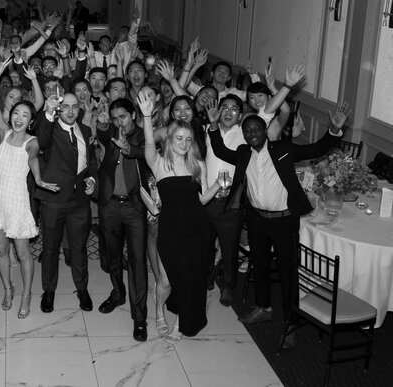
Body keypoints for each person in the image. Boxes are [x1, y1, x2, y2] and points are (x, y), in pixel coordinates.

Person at [208, 103, 349, 348]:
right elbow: (219, 150)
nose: (252, 133)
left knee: (287, 273)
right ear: (244, 134)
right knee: (260, 265)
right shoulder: (242, 153)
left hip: (284, 220)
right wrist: (212, 125)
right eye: (248, 130)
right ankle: (264, 307)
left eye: (256, 129)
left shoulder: (283, 148)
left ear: (265, 131)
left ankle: (290, 322)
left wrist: (334, 130)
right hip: (257, 219)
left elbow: (316, 148)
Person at [136, 90, 221, 342]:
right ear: (170, 138)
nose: (183, 143)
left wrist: (218, 186)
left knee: (190, 280)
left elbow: (203, 199)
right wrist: (147, 116)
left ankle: (181, 324)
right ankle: (158, 310)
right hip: (171, 229)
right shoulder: (159, 163)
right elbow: (149, 143)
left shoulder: (198, 164)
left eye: (187, 139)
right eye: (178, 138)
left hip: (197, 229)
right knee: (166, 280)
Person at [0, 53, 59, 319]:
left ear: (31, 120)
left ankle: (27, 292)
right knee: (1, 251)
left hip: (17, 202)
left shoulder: (32, 141)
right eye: (16, 113)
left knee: (23, 252)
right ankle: (8, 288)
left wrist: (38, 180)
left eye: (24, 115)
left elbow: (32, 160)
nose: (18, 117)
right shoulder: (4, 133)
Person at [34, 91, 98, 314]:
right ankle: (49, 291)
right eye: (66, 106)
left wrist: (91, 178)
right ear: (60, 109)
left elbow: (90, 162)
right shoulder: (50, 129)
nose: (71, 111)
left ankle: (82, 289)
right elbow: (41, 140)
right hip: (53, 199)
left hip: (79, 200)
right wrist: (49, 113)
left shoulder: (86, 130)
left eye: (75, 106)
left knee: (79, 248)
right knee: (50, 248)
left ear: (79, 109)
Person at [95, 98, 149, 341]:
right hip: (109, 205)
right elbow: (104, 136)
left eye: (123, 117)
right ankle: (118, 294)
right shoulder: (112, 131)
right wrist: (105, 126)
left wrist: (130, 150)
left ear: (133, 115)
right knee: (112, 257)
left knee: (137, 262)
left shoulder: (141, 134)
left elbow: (146, 152)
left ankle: (139, 317)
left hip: (135, 208)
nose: (120, 122)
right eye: (115, 118)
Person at [203, 94, 246, 307]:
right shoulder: (205, 131)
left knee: (229, 247)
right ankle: (208, 276)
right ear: (218, 111)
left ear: (240, 114)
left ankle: (228, 285)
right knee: (205, 243)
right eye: (225, 108)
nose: (229, 112)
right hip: (206, 199)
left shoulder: (245, 136)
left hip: (230, 202)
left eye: (234, 109)